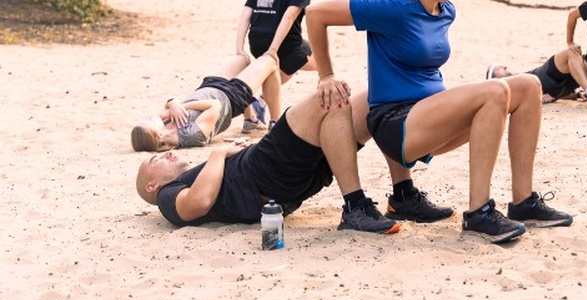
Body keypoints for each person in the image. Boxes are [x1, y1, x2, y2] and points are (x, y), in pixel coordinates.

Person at [305, 0, 573, 244]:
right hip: (397, 124)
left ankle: (524, 202)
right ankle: (479, 213)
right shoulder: (392, 8)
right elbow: (315, 13)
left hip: (430, 117)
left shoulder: (446, 10)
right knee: (496, 90)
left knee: (528, 86)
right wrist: (326, 75)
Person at [135, 90, 405, 234]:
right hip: (263, 173)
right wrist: (218, 154)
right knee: (328, 98)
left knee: (374, 101)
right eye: (157, 159)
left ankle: (404, 195)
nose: (168, 153)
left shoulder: (185, 180)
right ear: (152, 186)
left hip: (284, 179)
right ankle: (356, 207)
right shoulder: (166, 197)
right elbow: (199, 202)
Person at [235, 0, 319, 132]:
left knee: (286, 66)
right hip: (284, 43)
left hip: (256, 41)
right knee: (321, 64)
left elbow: (245, 15)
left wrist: (240, 48)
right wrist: (273, 49)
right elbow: (289, 16)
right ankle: (272, 112)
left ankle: (257, 105)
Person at [130, 53, 277, 152]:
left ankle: (250, 119)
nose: (150, 117)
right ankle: (275, 122)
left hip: (209, 86)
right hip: (231, 97)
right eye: (149, 121)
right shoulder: (191, 136)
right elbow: (215, 106)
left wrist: (173, 103)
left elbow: (169, 103)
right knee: (271, 60)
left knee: (243, 58)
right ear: (159, 136)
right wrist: (181, 106)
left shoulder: (163, 124)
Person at [485, 47, 587, 110]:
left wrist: (573, 96)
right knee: (571, 53)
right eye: (500, 68)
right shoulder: (506, 87)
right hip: (544, 77)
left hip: (561, 89)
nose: (505, 67)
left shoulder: (513, 84)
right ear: (494, 79)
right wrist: (535, 98)